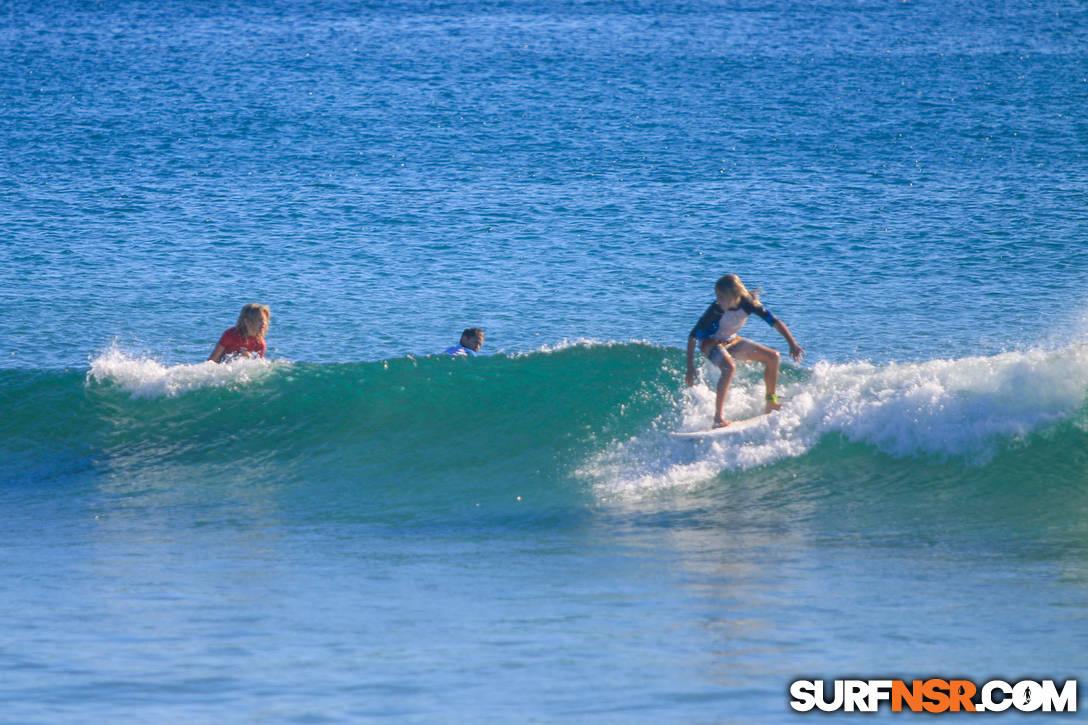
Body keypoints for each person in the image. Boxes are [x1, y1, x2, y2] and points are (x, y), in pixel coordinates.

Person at [685, 274, 803, 428]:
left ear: (733, 295)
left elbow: (774, 322)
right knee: (729, 368)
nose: (717, 301)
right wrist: (690, 367)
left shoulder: (749, 304)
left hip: (731, 340)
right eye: (717, 296)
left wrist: (792, 343)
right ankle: (718, 418)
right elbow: (693, 337)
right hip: (709, 342)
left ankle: (771, 403)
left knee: (773, 357)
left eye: (721, 297)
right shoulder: (715, 311)